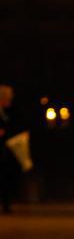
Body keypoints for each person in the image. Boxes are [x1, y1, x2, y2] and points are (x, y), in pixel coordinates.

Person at [0, 85, 23, 213]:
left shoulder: (11, 112)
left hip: (8, 149)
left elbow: (16, 126)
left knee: (6, 177)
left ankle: (6, 203)